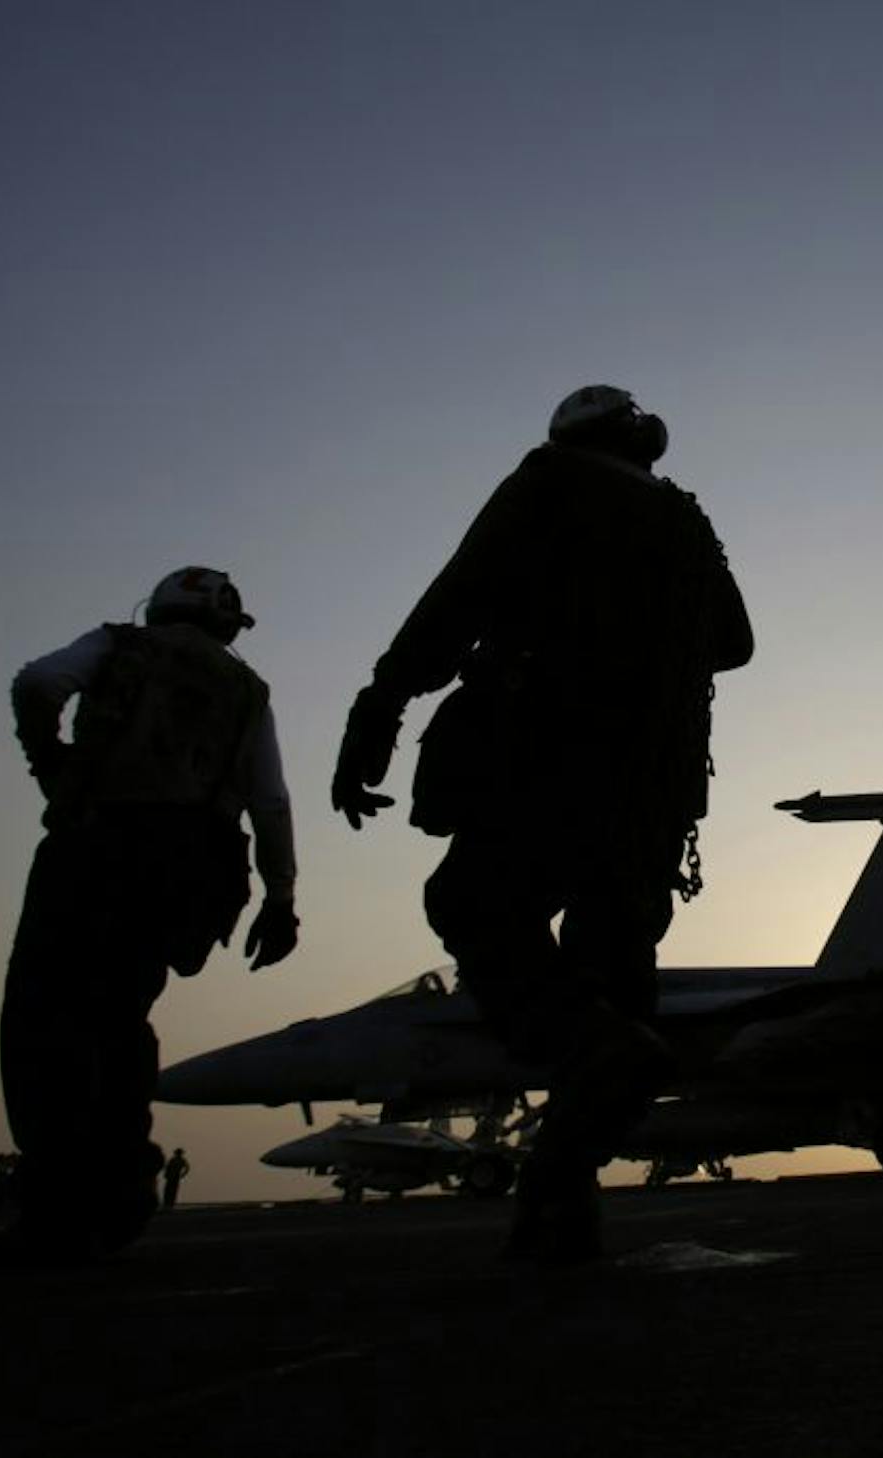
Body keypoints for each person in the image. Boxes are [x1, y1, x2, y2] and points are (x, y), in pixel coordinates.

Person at [332, 385, 752, 1264]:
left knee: (477, 908)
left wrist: (382, 702)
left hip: (550, 755)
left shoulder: (549, 481)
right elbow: (734, 641)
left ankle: (591, 1059)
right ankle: (561, 1198)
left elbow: (461, 594)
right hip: (658, 792)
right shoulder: (684, 520)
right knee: (613, 974)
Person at [0, 567, 300, 1274]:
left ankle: (57, 1216)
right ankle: (118, 1195)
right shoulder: (247, 690)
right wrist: (281, 899)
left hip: (98, 849)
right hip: (194, 869)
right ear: (227, 626)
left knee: (44, 1024)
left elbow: (38, 684)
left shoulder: (119, 646)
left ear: (159, 606)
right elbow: (270, 800)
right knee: (119, 1020)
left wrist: (53, 766)